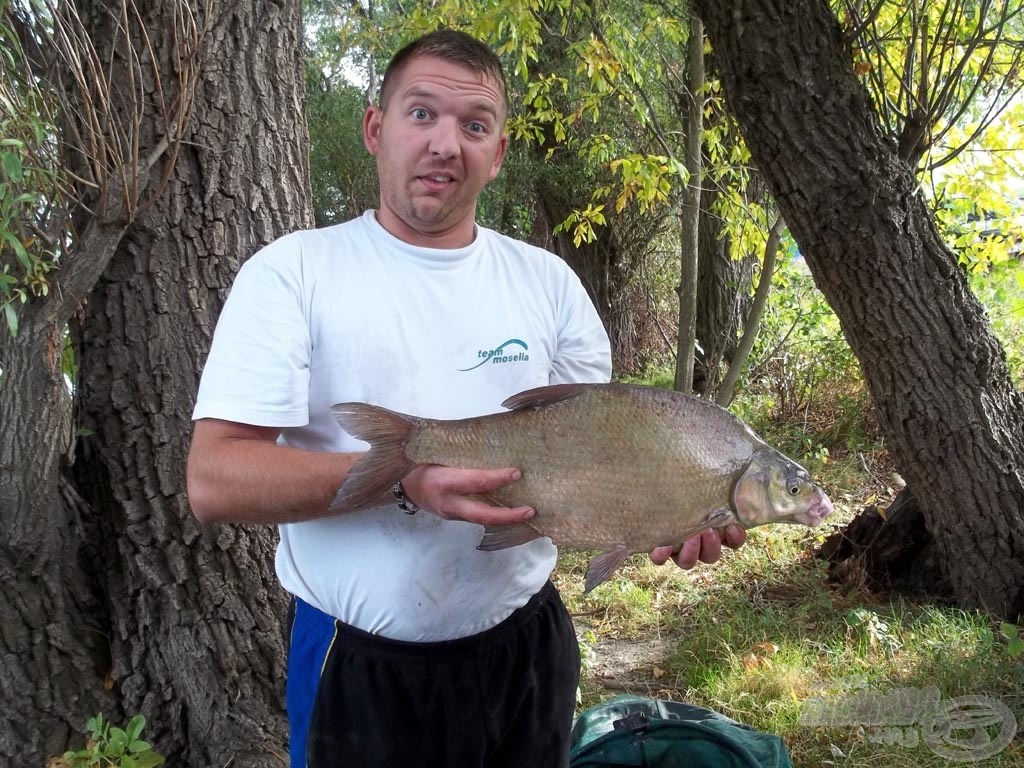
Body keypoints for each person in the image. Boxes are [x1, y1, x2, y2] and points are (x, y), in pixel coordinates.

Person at [186, 29, 745, 768]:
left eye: (474, 125)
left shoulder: (548, 285)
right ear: (374, 128)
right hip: (358, 663)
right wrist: (401, 478)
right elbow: (214, 480)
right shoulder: (293, 274)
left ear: (499, 151)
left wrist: (668, 512)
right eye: (422, 114)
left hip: (528, 646)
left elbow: (601, 464)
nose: (446, 143)